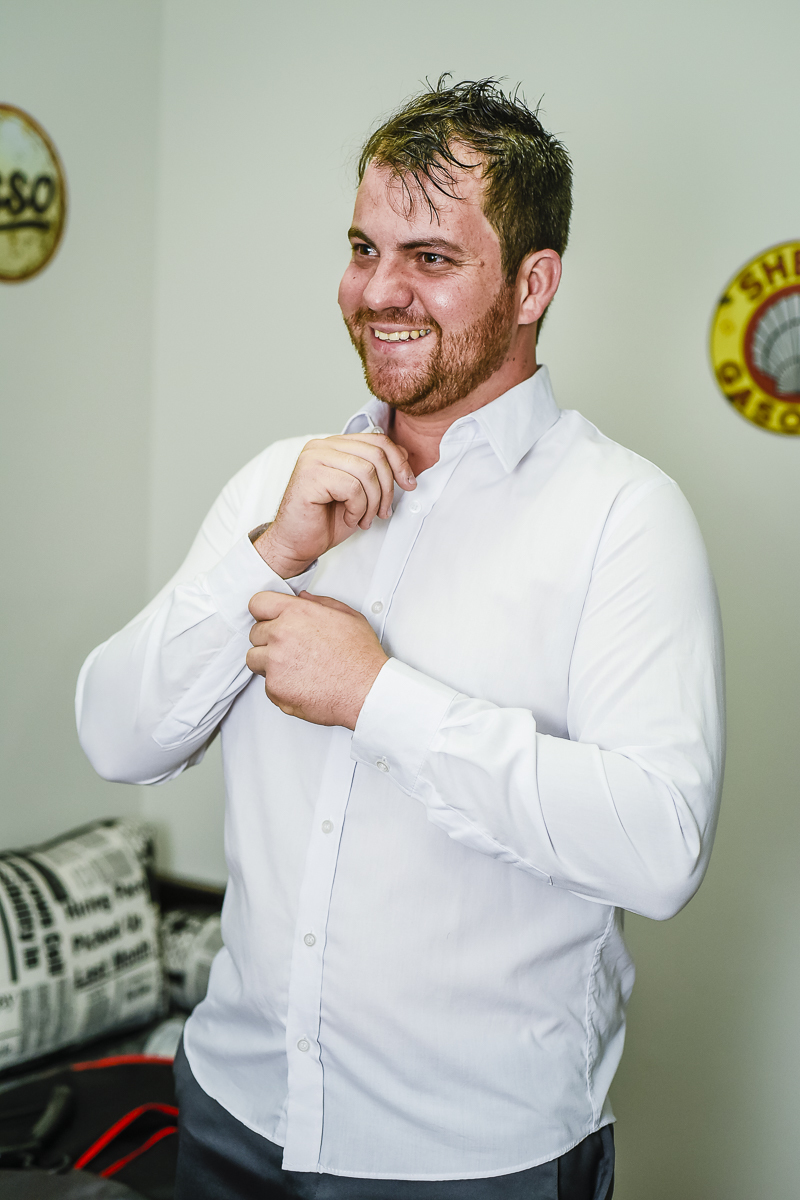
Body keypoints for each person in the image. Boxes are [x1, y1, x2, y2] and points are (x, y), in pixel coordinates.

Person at [76, 78, 724, 1199]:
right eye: (363, 246)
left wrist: (378, 696)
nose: (378, 290)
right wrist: (266, 553)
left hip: (471, 1160)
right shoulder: (280, 487)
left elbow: (659, 846)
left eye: (429, 256)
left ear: (532, 283)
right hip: (231, 1114)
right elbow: (114, 736)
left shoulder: (624, 515)